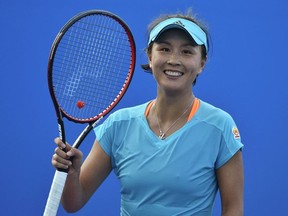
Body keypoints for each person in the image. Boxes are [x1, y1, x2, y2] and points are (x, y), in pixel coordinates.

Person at [52, 9, 244, 216]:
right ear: (150, 57)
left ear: (201, 64)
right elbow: (73, 203)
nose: (174, 60)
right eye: (164, 49)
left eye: (187, 52)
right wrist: (71, 173)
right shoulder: (118, 125)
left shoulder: (220, 126)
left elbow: (233, 209)